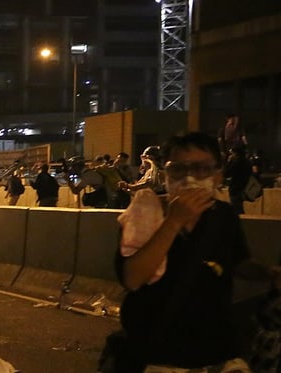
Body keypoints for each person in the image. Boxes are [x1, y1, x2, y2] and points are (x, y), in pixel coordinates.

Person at [110, 131, 281, 371]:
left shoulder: (224, 215)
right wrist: (173, 222)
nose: (190, 177)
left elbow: (239, 262)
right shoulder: (145, 215)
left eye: (202, 169)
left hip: (216, 351)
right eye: (179, 169)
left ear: (218, 175)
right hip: (156, 354)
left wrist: (268, 273)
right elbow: (133, 278)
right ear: (166, 174)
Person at [225, 145, 255, 215]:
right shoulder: (248, 162)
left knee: (237, 211)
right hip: (245, 189)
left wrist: (229, 162)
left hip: (235, 189)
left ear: (236, 153)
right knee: (238, 209)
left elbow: (226, 173)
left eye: (232, 153)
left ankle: (242, 224)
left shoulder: (236, 163)